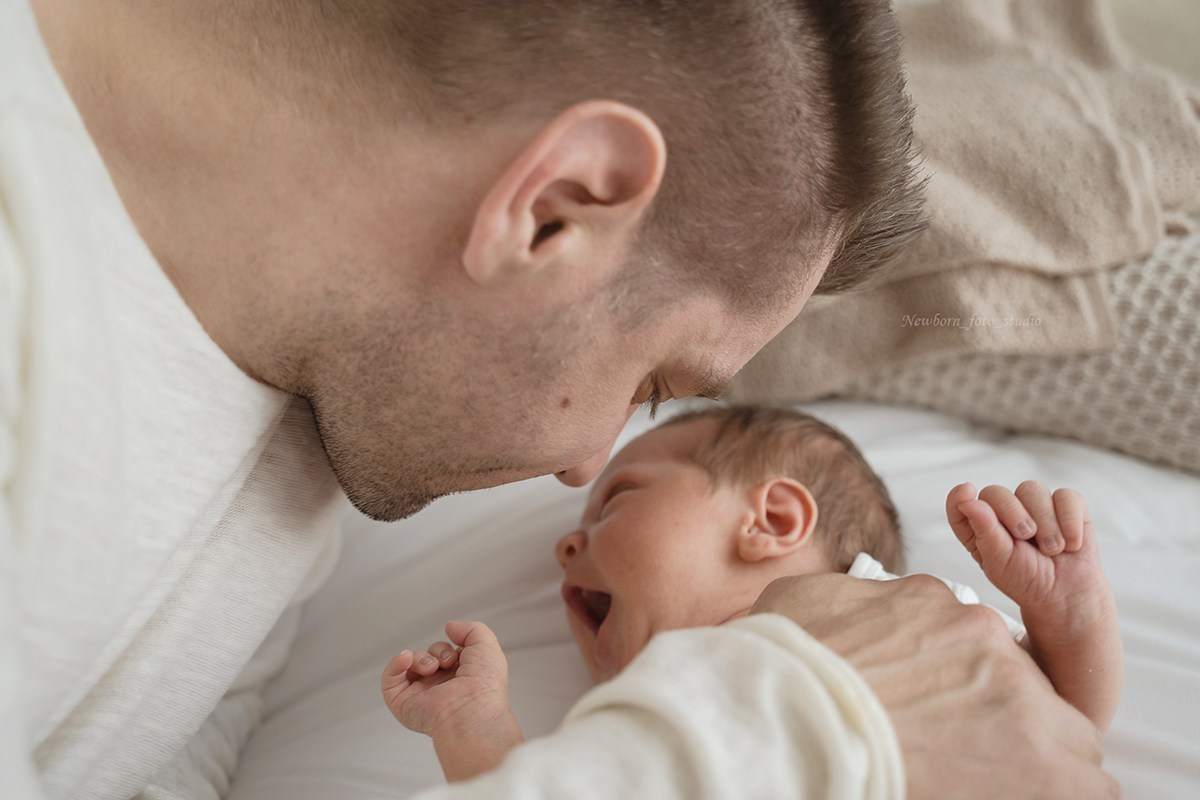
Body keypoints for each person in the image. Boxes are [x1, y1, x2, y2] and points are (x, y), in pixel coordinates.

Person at [0, 0, 1117, 797]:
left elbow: (179, 740)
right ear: (554, 211)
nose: (584, 467)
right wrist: (804, 723)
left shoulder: (324, 404)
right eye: (654, 378)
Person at [383, 406, 1124, 782]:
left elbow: (1063, 725)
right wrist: (472, 726)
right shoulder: (646, 713)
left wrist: (1071, 612)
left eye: (615, 503)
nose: (566, 547)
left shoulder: (911, 607)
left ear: (770, 521)